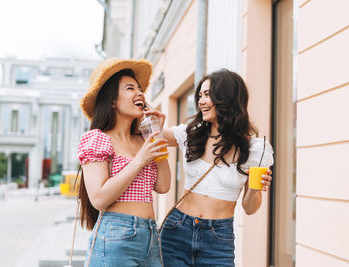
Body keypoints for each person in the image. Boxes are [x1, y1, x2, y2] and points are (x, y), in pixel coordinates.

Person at [147, 69, 274, 266]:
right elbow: (151, 135)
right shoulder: (192, 135)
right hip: (177, 230)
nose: (201, 101)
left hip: (218, 238)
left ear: (226, 98)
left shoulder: (256, 150)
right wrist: (145, 110)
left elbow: (249, 208)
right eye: (200, 95)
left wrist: (257, 189)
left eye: (207, 95)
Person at [77, 58, 170, 267]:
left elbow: (163, 186)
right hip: (116, 236)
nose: (140, 93)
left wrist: (157, 134)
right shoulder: (97, 139)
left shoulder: (143, 140)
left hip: (151, 236)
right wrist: (139, 161)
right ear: (112, 101)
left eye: (140, 89)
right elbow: (99, 199)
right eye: (130, 88)